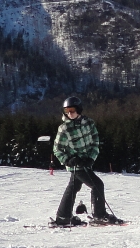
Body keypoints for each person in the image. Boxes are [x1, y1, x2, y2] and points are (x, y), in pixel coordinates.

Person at [51, 95, 120, 225]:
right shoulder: (65, 129)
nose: (69, 113)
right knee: (97, 185)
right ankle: (99, 215)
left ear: (79, 109)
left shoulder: (89, 123)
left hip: (86, 163)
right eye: (66, 111)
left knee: (73, 187)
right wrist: (68, 160)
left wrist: (90, 159)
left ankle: (63, 217)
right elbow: (57, 149)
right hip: (76, 165)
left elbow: (95, 142)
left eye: (72, 110)